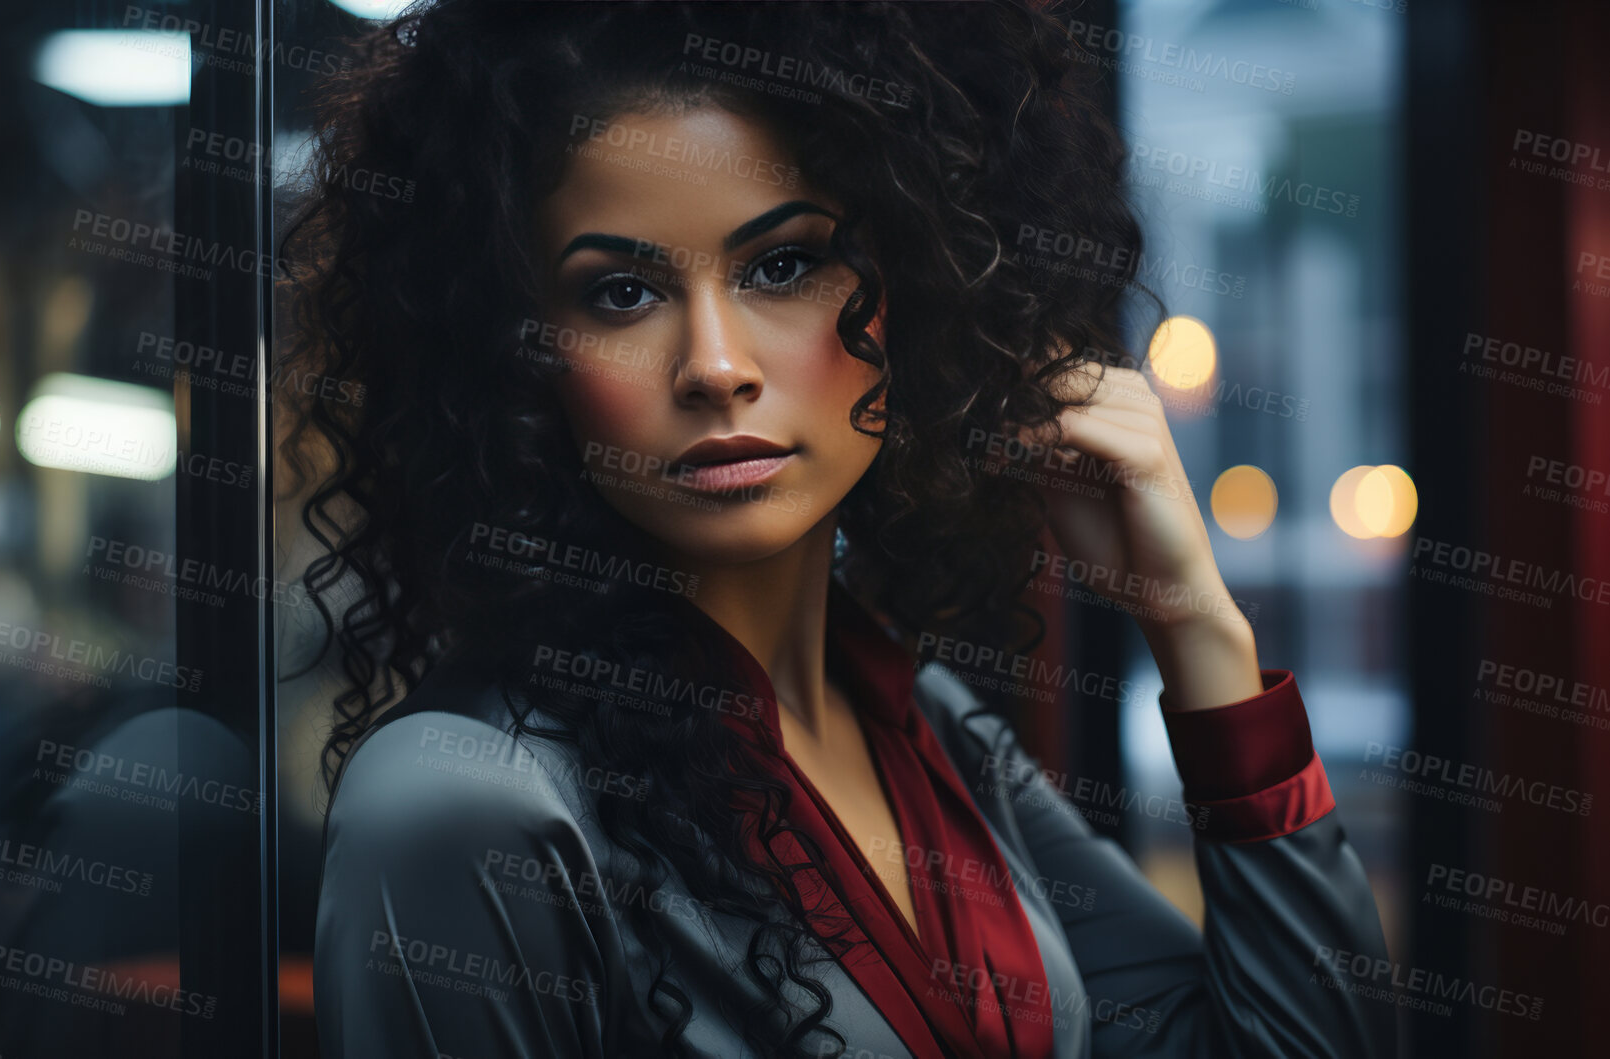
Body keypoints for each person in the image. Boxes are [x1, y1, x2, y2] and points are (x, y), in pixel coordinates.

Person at [277, 1, 1397, 1055]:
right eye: (619, 294)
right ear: (516, 356)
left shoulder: (923, 728)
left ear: (916, 281)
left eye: (782, 265)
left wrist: (1194, 627)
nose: (715, 366)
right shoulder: (464, 808)